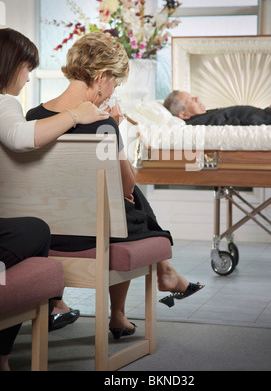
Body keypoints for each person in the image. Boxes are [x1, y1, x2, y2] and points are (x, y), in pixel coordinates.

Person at [27, 31, 204, 336]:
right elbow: (125, 185)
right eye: (115, 84)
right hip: (90, 234)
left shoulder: (34, 116)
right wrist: (116, 129)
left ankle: (144, 294)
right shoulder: (102, 123)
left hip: (44, 231)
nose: (113, 91)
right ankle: (125, 308)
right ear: (102, 77)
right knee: (128, 205)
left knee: (123, 207)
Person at [0, 27, 108, 371]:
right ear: (12, 65)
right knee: (35, 231)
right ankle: (7, 353)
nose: (28, 77)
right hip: (72, 230)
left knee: (34, 228)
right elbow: (20, 139)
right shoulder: (6, 103)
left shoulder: (29, 111)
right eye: (27, 68)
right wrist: (78, 115)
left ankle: (52, 307)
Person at [163, 90, 271, 126]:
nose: (197, 98)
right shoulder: (203, 122)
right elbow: (246, 127)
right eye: (191, 100)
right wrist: (269, 112)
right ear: (184, 115)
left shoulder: (205, 116)